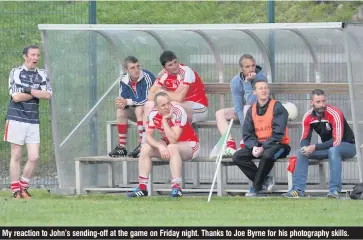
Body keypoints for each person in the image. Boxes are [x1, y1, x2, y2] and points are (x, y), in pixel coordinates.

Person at [283, 89, 356, 199]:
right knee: (302, 152)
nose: (322, 105)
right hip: (329, 149)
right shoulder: (308, 117)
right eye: (318, 102)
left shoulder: (335, 113)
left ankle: (334, 190)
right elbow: (304, 138)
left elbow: (336, 142)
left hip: (347, 146)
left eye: (323, 101)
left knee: (334, 150)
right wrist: (305, 147)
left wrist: (315, 147)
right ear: (311, 103)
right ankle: (297, 190)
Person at [127, 91, 200, 198]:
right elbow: (147, 137)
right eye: (163, 105)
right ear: (157, 107)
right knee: (146, 148)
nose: (167, 107)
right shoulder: (152, 113)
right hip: (169, 145)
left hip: (190, 145)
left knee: (172, 147)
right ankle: (142, 188)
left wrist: (164, 120)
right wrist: (160, 146)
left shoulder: (178, 111)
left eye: (168, 103)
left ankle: (176, 188)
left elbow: (174, 139)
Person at [4, 45, 52, 199]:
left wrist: (27, 90)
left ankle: (23, 186)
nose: (36, 58)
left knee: (34, 157)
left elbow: (47, 95)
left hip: (33, 120)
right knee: (16, 155)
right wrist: (36, 91)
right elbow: (16, 97)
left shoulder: (43, 74)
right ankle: (15, 191)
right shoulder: (15, 72)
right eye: (32, 55)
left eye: (38, 55)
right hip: (16, 118)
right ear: (25, 56)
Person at [232, 79, 291, 197]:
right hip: (259, 144)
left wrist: (263, 148)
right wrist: (253, 146)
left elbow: (278, 134)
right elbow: (247, 134)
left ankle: (256, 187)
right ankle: (264, 180)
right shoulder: (251, 110)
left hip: (279, 145)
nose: (264, 90)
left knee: (267, 155)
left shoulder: (278, 107)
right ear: (254, 92)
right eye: (260, 88)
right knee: (238, 156)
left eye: (265, 88)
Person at [215, 54, 266, 157]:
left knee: (247, 107)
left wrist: (247, 82)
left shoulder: (261, 77)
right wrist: (244, 126)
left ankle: (246, 140)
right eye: (247, 67)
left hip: (260, 110)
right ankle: (230, 144)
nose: (251, 69)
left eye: (253, 65)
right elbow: (238, 107)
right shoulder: (235, 82)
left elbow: (252, 101)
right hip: (244, 112)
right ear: (241, 69)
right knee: (220, 113)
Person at [108, 56, 155, 158]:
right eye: (132, 68)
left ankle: (142, 144)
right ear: (126, 70)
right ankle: (122, 148)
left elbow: (145, 99)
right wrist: (121, 102)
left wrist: (127, 101)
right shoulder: (124, 79)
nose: (136, 70)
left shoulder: (147, 76)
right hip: (140, 113)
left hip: (153, 114)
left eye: (138, 66)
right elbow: (123, 97)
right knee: (121, 111)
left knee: (140, 108)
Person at [144, 50, 208, 125]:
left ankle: (173, 135)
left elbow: (180, 98)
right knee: (148, 105)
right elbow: (150, 96)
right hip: (179, 105)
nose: (174, 66)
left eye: (175, 62)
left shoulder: (186, 71)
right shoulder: (162, 74)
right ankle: (146, 136)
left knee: (171, 106)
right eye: (170, 65)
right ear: (164, 67)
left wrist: (162, 92)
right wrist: (173, 94)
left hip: (199, 108)